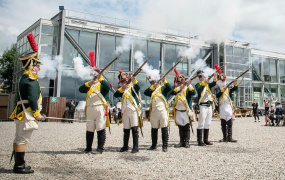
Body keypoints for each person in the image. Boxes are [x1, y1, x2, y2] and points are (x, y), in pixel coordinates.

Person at [9, 33, 43, 174]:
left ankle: (20, 164)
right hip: (28, 112)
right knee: (22, 139)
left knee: (19, 138)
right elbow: (32, 97)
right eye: (37, 65)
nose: (38, 68)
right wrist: (37, 114)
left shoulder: (23, 78)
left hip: (21, 111)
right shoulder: (30, 79)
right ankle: (19, 166)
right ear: (31, 65)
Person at [79, 68, 111, 154]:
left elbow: (108, 87)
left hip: (100, 108)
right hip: (90, 108)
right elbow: (80, 89)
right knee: (90, 129)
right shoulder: (90, 85)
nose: (94, 77)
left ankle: (100, 148)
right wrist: (88, 83)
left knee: (100, 128)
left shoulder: (102, 84)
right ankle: (88, 147)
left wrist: (100, 78)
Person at [114, 70, 140, 153]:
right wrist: (122, 88)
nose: (124, 82)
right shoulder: (122, 90)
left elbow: (138, 87)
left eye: (125, 81)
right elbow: (116, 94)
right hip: (125, 111)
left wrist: (134, 80)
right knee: (126, 129)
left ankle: (135, 147)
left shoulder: (133, 88)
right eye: (122, 81)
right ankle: (125, 146)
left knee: (135, 129)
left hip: (133, 110)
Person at [144, 75, 172, 152]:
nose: (152, 83)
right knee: (154, 128)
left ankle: (165, 146)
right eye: (151, 82)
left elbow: (169, 88)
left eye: (153, 82)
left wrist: (164, 81)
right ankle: (154, 145)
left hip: (162, 110)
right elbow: (145, 92)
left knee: (164, 128)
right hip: (154, 111)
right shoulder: (152, 90)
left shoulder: (162, 88)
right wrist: (153, 87)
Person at [171, 69, 196, 148]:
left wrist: (189, 85)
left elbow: (194, 93)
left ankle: (187, 142)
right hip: (178, 111)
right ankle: (181, 142)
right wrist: (179, 88)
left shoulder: (188, 89)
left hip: (186, 111)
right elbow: (171, 93)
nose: (179, 84)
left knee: (186, 127)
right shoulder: (177, 90)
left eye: (181, 83)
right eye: (178, 83)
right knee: (180, 127)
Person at [195, 70, 217, 146]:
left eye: (204, 76)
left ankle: (206, 140)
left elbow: (214, 83)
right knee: (201, 123)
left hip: (209, 106)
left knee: (207, 123)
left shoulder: (207, 84)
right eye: (202, 77)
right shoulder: (198, 84)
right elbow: (199, 90)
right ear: (200, 78)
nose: (203, 78)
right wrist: (205, 83)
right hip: (202, 105)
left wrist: (214, 77)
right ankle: (200, 141)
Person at [215, 73, 238, 143]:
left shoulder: (228, 86)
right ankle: (224, 137)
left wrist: (235, 83)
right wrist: (222, 90)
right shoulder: (218, 87)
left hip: (228, 105)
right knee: (223, 122)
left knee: (229, 122)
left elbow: (235, 89)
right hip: (222, 105)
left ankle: (230, 137)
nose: (222, 82)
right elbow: (217, 95)